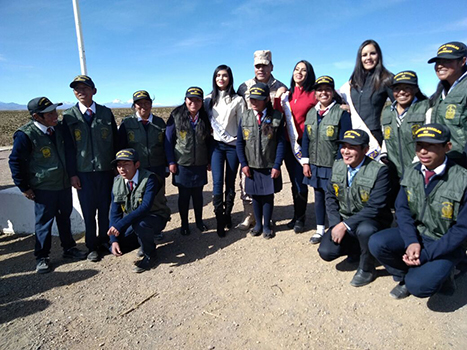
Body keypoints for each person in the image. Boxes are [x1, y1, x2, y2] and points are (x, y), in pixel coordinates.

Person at [369, 124, 467, 299]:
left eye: (431, 146)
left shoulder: (462, 180)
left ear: (447, 147)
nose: (423, 151)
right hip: (419, 234)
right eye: (419, 145)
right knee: (377, 242)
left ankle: (446, 271)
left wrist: (427, 254)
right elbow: (402, 209)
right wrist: (411, 242)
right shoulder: (412, 172)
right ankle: (409, 273)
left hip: (445, 243)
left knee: (419, 286)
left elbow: (462, 229)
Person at [9, 97, 87, 273]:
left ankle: (69, 249)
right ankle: (42, 257)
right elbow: (15, 162)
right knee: (44, 222)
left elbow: (68, 152)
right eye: (50, 113)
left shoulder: (58, 129)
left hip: (63, 184)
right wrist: (24, 187)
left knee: (64, 218)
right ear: (37, 117)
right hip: (44, 187)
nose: (55, 116)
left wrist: (72, 175)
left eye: (55, 111)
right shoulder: (25, 135)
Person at [318, 129, 392, 287]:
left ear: (365, 150)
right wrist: (335, 224)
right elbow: (330, 197)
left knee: (365, 230)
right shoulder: (337, 166)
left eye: (352, 147)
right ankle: (356, 250)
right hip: (345, 219)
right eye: (343, 146)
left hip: (371, 221)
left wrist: (344, 225)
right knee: (326, 251)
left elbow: (375, 207)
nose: (345, 151)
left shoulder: (380, 172)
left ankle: (367, 268)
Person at [63, 75, 118, 262]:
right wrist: (72, 174)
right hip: (83, 173)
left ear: (94, 91)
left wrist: (116, 166)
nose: (80, 91)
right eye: (76, 89)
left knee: (105, 208)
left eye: (85, 88)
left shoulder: (105, 113)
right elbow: (68, 148)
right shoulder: (69, 116)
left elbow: (115, 141)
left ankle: (104, 240)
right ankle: (91, 246)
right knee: (88, 211)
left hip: (105, 171)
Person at [236, 50, 287, 230]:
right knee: (246, 183)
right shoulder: (244, 87)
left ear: (271, 66)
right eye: (258, 65)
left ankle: (267, 219)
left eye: (265, 65)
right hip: (249, 137)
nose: (261, 69)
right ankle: (249, 215)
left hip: (269, 142)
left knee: (268, 188)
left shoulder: (280, 87)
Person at [302, 76, 352, 244]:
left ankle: (336, 228)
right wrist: (306, 161)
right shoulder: (311, 113)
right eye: (320, 90)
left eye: (327, 89)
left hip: (333, 164)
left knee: (335, 198)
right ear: (315, 93)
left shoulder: (341, 112)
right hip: (315, 164)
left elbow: (344, 141)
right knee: (318, 196)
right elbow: (306, 139)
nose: (324, 93)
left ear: (333, 92)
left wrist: (340, 164)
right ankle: (319, 229)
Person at [107, 149, 170, 273]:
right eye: (119, 165)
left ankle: (150, 255)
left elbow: (145, 207)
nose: (122, 169)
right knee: (117, 245)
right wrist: (114, 240)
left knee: (141, 225)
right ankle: (143, 241)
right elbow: (115, 212)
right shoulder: (117, 181)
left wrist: (120, 225)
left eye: (126, 164)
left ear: (137, 165)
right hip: (134, 219)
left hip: (155, 216)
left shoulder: (149, 178)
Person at [274, 60, 318, 233]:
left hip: (304, 144)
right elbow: (278, 115)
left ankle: (302, 218)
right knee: (294, 181)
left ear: (309, 74)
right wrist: (278, 96)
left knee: (302, 182)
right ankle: (297, 215)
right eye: (296, 69)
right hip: (287, 143)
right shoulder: (288, 94)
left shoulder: (313, 94)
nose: (299, 73)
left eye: (303, 70)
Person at [204, 65, 246, 237]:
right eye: (218, 75)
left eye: (225, 76)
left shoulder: (238, 100)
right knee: (217, 182)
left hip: (232, 146)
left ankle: (227, 214)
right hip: (216, 146)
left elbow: (242, 125)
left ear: (230, 78)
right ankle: (219, 218)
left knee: (230, 181)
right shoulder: (208, 99)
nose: (221, 78)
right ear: (214, 78)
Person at [165, 87, 212, 236]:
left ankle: (199, 221)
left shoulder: (205, 117)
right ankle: (184, 224)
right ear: (185, 100)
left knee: (198, 195)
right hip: (182, 163)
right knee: (184, 196)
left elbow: (209, 141)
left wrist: (209, 160)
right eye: (191, 99)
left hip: (199, 163)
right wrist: (171, 161)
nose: (194, 102)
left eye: (198, 100)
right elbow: (168, 140)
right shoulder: (176, 115)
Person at [340, 39, 394, 156]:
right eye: (364, 55)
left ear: (378, 55)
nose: (368, 58)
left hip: (374, 138)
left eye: (372, 53)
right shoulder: (353, 82)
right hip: (353, 136)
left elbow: (399, 106)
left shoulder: (386, 79)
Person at [381, 71, 430, 180]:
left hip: (420, 171)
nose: (401, 92)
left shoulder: (426, 107)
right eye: (397, 89)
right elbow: (386, 138)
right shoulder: (387, 111)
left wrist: (418, 164)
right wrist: (384, 155)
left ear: (416, 89)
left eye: (407, 88)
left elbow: (430, 141)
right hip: (394, 174)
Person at [428, 41, 467, 167]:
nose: (440, 66)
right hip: (446, 162)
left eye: (447, 61)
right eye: (438, 62)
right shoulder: (441, 92)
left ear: (463, 61)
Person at [118, 90, 167, 180]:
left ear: (151, 104)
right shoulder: (127, 123)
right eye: (139, 104)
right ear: (134, 106)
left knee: (158, 192)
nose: (143, 106)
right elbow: (121, 145)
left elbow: (165, 144)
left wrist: (167, 165)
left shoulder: (159, 122)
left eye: (146, 103)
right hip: (137, 167)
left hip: (157, 166)